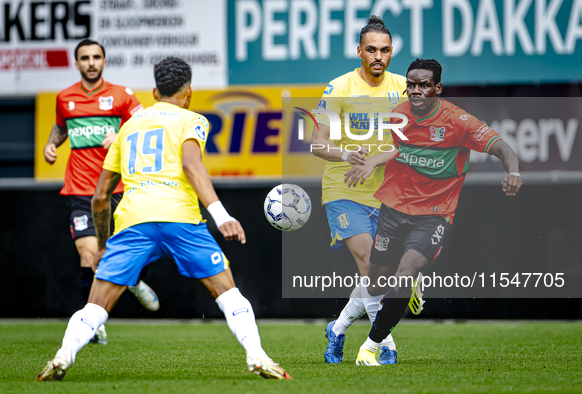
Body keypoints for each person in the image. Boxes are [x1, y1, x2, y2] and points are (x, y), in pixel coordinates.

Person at [37, 57, 291, 381]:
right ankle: (257, 356)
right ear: (189, 92)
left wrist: (103, 245)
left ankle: (63, 355)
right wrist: (221, 214)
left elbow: (100, 196)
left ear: (155, 91)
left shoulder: (127, 127)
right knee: (228, 294)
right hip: (180, 219)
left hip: (134, 221)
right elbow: (192, 166)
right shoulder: (192, 119)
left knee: (96, 306)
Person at [348, 58, 523, 365]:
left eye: (423, 85)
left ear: (437, 88)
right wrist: (375, 160)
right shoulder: (398, 115)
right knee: (375, 283)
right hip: (393, 208)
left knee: (403, 276)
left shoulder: (458, 122)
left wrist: (515, 172)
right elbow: (400, 148)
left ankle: (370, 347)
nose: (416, 91)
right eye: (411, 84)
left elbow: (500, 147)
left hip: (435, 213)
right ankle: (385, 303)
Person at [43, 39, 160, 344]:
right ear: (77, 63)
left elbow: (146, 125)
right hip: (80, 189)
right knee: (89, 252)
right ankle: (91, 323)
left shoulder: (122, 95)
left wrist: (120, 134)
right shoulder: (64, 97)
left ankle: (133, 281)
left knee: (136, 249)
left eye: (96, 57)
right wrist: (52, 143)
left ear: (104, 61)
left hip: (118, 186)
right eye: (85, 58)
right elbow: (62, 127)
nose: (91, 62)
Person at [311, 15, 406, 364]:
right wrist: (346, 152)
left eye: (384, 50)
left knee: (379, 272)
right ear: (359, 52)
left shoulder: (403, 88)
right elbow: (317, 145)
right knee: (369, 264)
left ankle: (337, 329)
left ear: (391, 51)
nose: (378, 56)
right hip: (343, 190)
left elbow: (413, 142)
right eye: (371, 50)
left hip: (387, 195)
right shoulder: (340, 89)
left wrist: (376, 160)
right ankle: (384, 345)